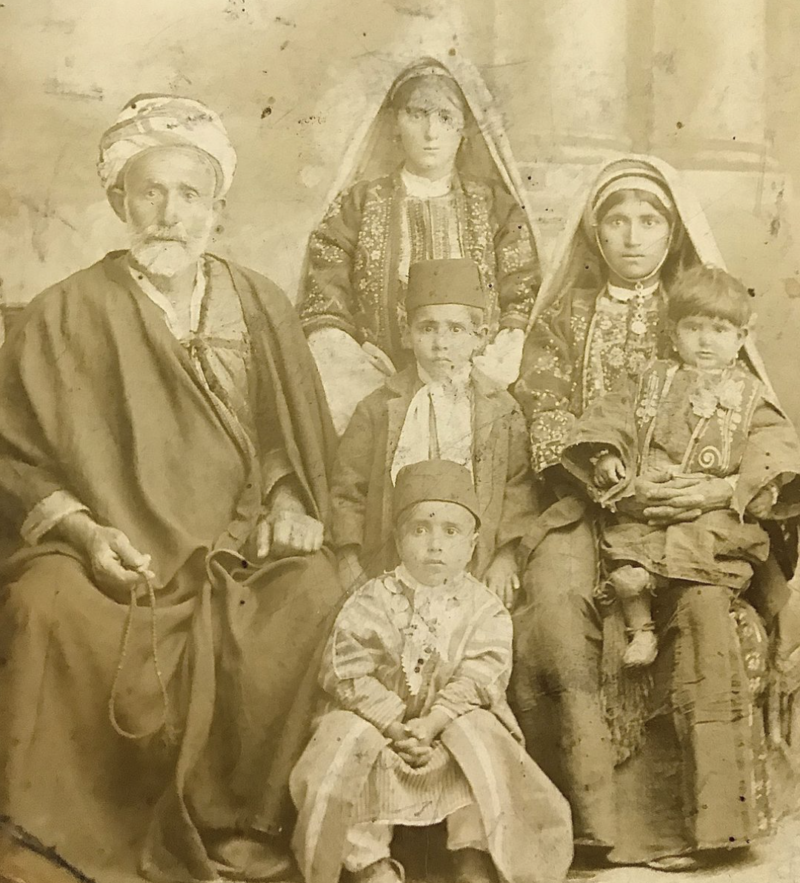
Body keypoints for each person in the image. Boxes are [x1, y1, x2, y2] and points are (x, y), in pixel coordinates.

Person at [0, 94, 344, 883]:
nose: (169, 212)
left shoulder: (259, 303)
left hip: (236, 543)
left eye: (190, 194)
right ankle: (55, 832)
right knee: (41, 605)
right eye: (150, 191)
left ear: (217, 209)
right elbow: (14, 458)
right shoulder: (64, 313)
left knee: (316, 588)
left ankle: (238, 824)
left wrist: (290, 499)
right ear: (120, 199)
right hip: (110, 549)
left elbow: (285, 436)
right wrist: (86, 533)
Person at [510, 156, 797, 871]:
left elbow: (764, 436)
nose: (633, 236)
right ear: (594, 230)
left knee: (701, 610)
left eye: (650, 221)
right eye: (617, 220)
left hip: (699, 519)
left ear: (673, 234)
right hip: (589, 501)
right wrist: (610, 473)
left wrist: (717, 490)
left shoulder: (700, 308)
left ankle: (709, 824)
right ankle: (589, 818)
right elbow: (546, 417)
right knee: (554, 601)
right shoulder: (563, 317)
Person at [290, 459, 573, 883]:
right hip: (385, 732)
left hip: (447, 729)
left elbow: (482, 675)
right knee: (343, 738)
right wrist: (396, 723)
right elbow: (345, 671)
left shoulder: (485, 608)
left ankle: (472, 853)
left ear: (473, 544)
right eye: (420, 529)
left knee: (482, 735)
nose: (435, 545)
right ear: (399, 540)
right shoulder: (372, 600)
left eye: (450, 531)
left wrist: (435, 721)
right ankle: (368, 861)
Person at [562, 265, 800, 672]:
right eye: (693, 328)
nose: (705, 341)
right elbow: (611, 416)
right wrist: (607, 455)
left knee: (716, 539)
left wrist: (742, 485)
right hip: (650, 501)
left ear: (742, 338)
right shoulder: (648, 379)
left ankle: (652, 584)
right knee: (627, 544)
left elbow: (775, 443)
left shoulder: (749, 394)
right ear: (673, 333)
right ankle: (642, 630)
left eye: (720, 330)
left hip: (710, 509)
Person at [297, 56, 542, 433]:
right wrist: (349, 350)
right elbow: (324, 295)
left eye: (445, 117)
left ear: (464, 131)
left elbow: (521, 291)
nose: (431, 132)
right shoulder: (359, 203)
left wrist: (493, 360)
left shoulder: (495, 205)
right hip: (375, 379)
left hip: (478, 384)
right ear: (395, 124)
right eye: (416, 114)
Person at [331, 257, 537, 608]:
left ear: (479, 337)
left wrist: (505, 557)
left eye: (456, 329)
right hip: (390, 566)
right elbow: (347, 489)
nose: (441, 342)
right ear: (408, 334)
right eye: (427, 328)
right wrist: (349, 558)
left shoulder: (501, 409)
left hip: (476, 566)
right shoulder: (379, 408)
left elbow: (518, 488)